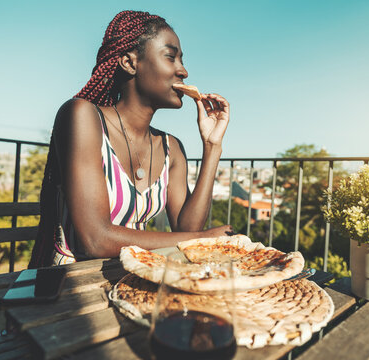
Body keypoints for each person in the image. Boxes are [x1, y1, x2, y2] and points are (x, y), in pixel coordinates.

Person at [29, 10, 233, 268]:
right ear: (129, 63)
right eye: (171, 57)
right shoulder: (81, 116)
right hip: (72, 287)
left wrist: (212, 147)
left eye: (181, 60)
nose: (184, 71)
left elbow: (186, 226)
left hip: (134, 276)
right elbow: (96, 240)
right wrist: (201, 240)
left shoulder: (171, 147)